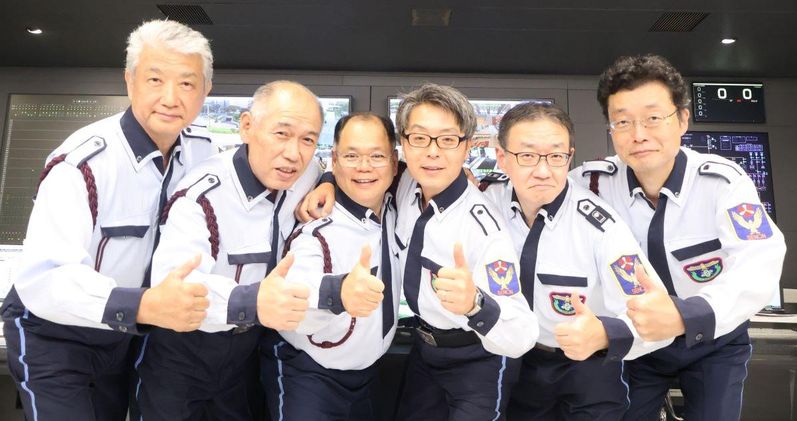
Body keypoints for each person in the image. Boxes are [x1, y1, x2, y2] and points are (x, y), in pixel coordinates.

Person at [1, 19, 217, 420]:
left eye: (187, 83)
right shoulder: (81, 163)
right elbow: (45, 278)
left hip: (125, 334)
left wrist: (323, 184)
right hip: (54, 332)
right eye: (155, 80)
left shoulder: (204, 151)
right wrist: (144, 305)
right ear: (129, 82)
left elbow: (265, 168)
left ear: (206, 90)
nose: (171, 98)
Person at [573, 54, 786, 420]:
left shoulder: (722, 182)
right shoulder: (591, 184)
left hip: (714, 338)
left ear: (683, 119)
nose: (638, 134)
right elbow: (533, 191)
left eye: (653, 118)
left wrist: (686, 315)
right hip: (636, 340)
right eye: (622, 121)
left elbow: (759, 260)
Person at [135, 81, 328, 420]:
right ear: (247, 127)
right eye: (281, 134)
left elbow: (330, 169)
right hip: (181, 353)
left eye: (308, 140)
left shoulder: (305, 172)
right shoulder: (202, 197)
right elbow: (176, 287)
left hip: (246, 354)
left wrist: (330, 184)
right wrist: (254, 301)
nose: (294, 153)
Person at [479, 102, 671, 421]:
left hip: (590, 367)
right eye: (527, 156)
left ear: (569, 157)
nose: (543, 171)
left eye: (556, 156)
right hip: (517, 364)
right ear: (502, 157)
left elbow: (657, 319)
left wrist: (605, 334)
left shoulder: (601, 227)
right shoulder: (486, 203)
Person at [391, 84, 537, 420]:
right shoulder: (407, 184)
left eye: (447, 139)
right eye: (420, 138)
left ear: (467, 146)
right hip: (424, 351)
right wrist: (327, 182)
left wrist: (476, 303)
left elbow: (522, 334)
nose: (432, 152)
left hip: (479, 359)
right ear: (403, 142)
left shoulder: (484, 227)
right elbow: (358, 168)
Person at [264, 112, 401, 420]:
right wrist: (337, 293)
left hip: (370, 374)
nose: (364, 167)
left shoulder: (394, 206)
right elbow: (295, 298)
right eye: (351, 156)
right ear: (334, 161)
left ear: (394, 162)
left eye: (376, 156)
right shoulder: (316, 229)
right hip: (309, 377)